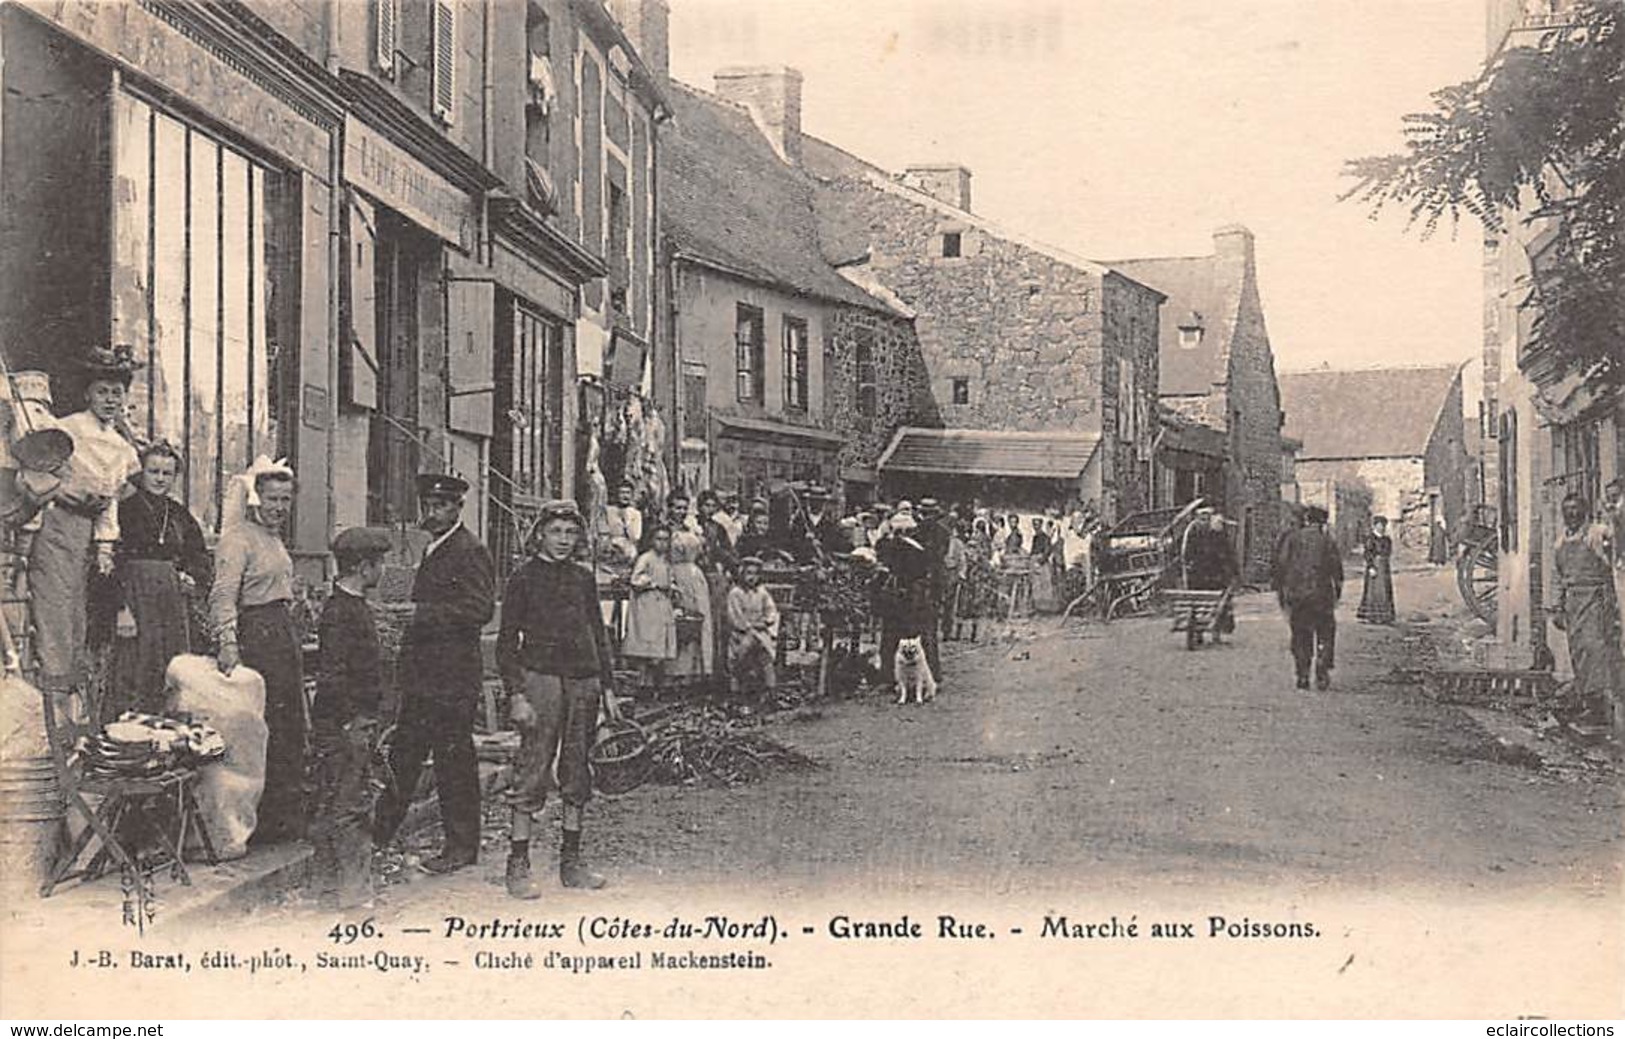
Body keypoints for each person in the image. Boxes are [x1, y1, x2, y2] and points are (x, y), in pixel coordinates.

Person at [373, 473, 495, 874]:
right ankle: (376, 839)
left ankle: (461, 847)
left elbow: (480, 611)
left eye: (441, 506)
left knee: (452, 763)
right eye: (428, 505)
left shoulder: (469, 549)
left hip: (452, 679)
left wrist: (422, 613)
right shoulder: (435, 548)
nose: (433, 512)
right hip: (425, 677)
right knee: (404, 756)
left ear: (458, 508)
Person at [497, 500, 620, 899]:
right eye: (556, 532)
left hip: (583, 682)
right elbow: (505, 643)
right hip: (541, 681)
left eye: (571, 533)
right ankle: (518, 865)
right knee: (532, 769)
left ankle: (572, 862)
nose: (564, 540)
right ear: (540, 534)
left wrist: (609, 687)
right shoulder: (523, 579)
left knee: (577, 771)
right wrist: (517, 693)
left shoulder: (583, 579)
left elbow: (598, 634)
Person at [29, 345, 142, 698]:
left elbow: (118, 498)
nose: (110, 400)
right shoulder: (66, 429)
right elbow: (36, 476)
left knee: (85, 619)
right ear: (87, 393)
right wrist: (65, 493)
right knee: (57, 614)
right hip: (60, 527)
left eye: (117, 393)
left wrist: (106, 542)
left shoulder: (122, 445)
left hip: (96, 537)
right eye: (102, 391)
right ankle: (55, 705)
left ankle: (80, 712)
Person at [210, 458, 305, 843]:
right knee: (260, 729)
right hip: (257, 635)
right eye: (271, 499)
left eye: (285, 500)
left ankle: (283, 820)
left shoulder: (275, 538)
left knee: (288, 727)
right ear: (256, 499)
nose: (279, 507)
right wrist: (228, 642)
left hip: (282, 632)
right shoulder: (238, 537)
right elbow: (223, 595)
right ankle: (258, 824)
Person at [310, 526, 391, 909]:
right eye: (380, 564)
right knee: (352, 809)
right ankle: (354, 898)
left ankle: (329, 889)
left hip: (352, 721)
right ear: (363, 567)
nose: (384, 571)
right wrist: (349, 723)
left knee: (339, 804)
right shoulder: (342, 613)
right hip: (346, 724)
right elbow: (333, 675)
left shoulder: (349, 606)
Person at [112, 440, 210, 714]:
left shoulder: (178, 513)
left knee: (171, 668)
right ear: (141, 471)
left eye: (166, 473)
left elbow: (198, 555)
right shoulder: (124, 508)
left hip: (170, 602)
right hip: (134, 598)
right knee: (133, 666)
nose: (159, 478)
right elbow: (110, 560)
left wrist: (191, 577)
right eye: (153, 471)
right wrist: (121, 609)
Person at [1551, 493, 1620, 737]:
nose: (1571, 514)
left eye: (1576, 509)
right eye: (1567, 510)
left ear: (1584, 512)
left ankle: (1600, 707)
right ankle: (1587, 702)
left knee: (1595, 650)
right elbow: (1559, 578)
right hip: (1573, 602)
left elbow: (1612, 546)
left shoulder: (1594, 534)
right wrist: (1558, 607)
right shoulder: (1561, 542)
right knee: (1578, 651)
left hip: (1594, 599)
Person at [1273, 504, 1344, 691]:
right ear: (1322, 523)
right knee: (1325, 632)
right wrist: (1337, 593)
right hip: (1322, 596)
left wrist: (1282, 593)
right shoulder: (1327, 541)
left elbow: (1281, 565)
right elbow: (1337, 570)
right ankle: (1322, 665)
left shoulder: (1293, 539)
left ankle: (1302, 674)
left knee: (1300, 635)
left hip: (1298, 597)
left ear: (1307, 520)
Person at [876, 510, 935, 689]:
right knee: (912, 636)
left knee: (892, 636)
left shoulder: (896, 546)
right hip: (913, 597)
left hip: (899, 597)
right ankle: (915, 677)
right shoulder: (918, 548)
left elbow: (889, 569)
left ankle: (890, 677)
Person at [623, 525, 677, 693]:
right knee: (647, 640)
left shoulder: (666, 561)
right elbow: (636, 579)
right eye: (658, 539)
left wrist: (672, 587)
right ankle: (642, 685)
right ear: (652, 541)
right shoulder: (646, 558)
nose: (662, 543)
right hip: (648, 603)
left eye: (666, 540)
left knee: (660, 642)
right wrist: (651, 583)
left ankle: (657, 686)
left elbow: (669, 578)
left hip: (662, 603)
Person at [668, 529, 714, 691]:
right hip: (685, 610)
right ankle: (683, 675)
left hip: (689, 611)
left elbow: (697, 598)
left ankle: (688, 676)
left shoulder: (690, 571)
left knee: (689, 641)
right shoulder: (685, 570)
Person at [727, 556, 780, 697]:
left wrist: (767, 621)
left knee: (766, 657)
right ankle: (738, 692)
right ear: (742, 574)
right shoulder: (736, 593)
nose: (752, 578)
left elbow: (771, 610)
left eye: (755, 574)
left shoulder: (762, 593)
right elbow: (735, 617)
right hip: (741, 634)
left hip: (760, 633)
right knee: (741, 655)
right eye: (749, 573)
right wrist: (748, 627)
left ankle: (770, 691)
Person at [1183, 508, 1239, 636]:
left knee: (1200, 600)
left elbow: (1187, 552)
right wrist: (1233, 570)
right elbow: (1227, 552)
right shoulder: (1215, 531)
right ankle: (1216, 629)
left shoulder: (1193, 530)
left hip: (1199, 574)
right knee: (1219, 598)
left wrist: (1189, 565)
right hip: (1212, 574)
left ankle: (1203, 629)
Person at [1356, 516, 1397, 625]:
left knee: (1385, 590)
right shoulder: (1371, 539)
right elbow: (1368, 553)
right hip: (1375, 565)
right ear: (1374, 526)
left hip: (1384, 567)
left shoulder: (1387, 539)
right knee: (1373, 591)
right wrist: (1371, 567)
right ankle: (1372, 615)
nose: (1382, 528)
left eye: (1383, 525)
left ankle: (1385, 615)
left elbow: (1388, 552)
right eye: (1379, 525)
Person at [601, 482, 642, 563]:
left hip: (628, 551)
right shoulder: (609, 511)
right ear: (617, 495)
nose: (625, 496)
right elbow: (604, 532)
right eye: (622, 493)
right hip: (611, 549)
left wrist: (627, 520)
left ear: (632, 495)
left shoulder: (636, 514)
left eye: (628, 493)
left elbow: (635, 536)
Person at [942, 521, 968, 641]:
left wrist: (961, 575)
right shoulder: (940, 542)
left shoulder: (958, 544)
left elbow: (962, 560)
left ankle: (947, 631)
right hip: (940, 572)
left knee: (950, 603)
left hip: (952, 573)